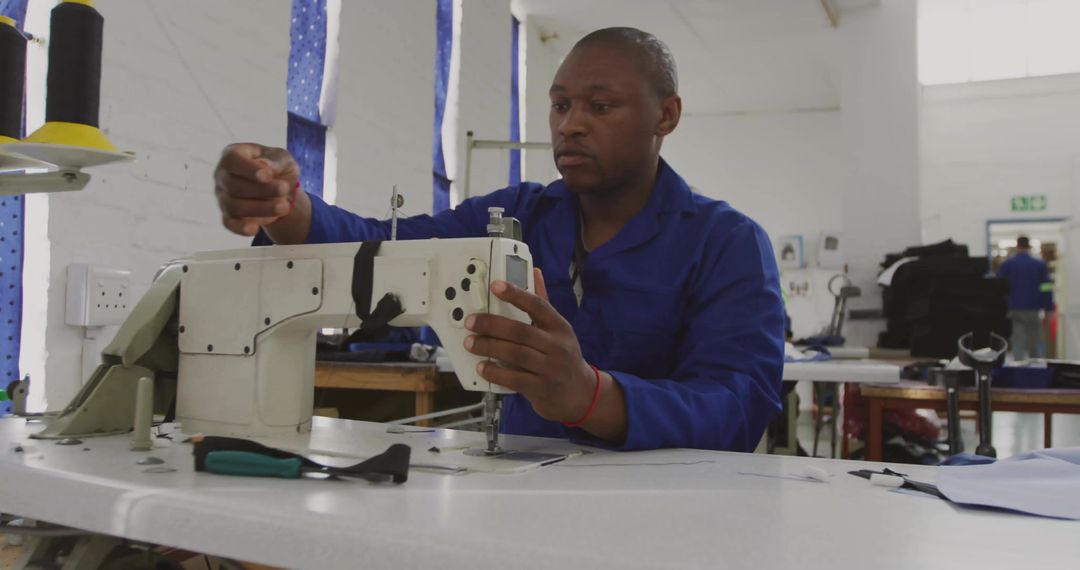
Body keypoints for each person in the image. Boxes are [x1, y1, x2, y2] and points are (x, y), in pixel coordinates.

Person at [213, 27, 784, 451]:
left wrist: (591, 396)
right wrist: (284, 205)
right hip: (521, 503)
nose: (570, 124)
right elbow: (380, 250)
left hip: (664, 519)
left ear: (667, 116)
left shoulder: (728, 245)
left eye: (600, 106)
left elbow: (737, 407)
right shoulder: (512, 216)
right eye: (560, 105)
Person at [997, 236, 1054, 360]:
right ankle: (1035, 362)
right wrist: (1048, 308)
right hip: (1034, 307)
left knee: (1018, 337)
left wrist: (1001, 307)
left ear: (1017, 246)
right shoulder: (1039, 265)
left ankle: (1018, 363)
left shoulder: (1007, 265)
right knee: (1035, 337)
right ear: (1029, 247)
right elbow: (1046, 287)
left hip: (1015, 307)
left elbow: (999, 288)